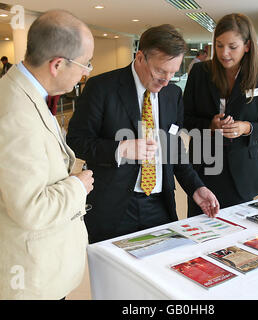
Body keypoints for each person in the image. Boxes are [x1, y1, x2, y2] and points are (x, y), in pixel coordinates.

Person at [0, 10, 95, 300]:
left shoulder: (28, 92)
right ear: (57, 64)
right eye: (85, 64)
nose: (86, 72)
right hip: (29, 275)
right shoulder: (15, 115)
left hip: (42, 263)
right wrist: (78, 186)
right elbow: (32, 209)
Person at [66, 24, 219, 243]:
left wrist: (196, 187)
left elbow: (174, 150)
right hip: (114, 208)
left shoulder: (173, 94)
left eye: (173, 73)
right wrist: (120, 149)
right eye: (160, 71)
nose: (166, 80)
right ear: (140, 57)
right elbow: (76, 141)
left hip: (159, 206)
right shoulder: (101, 88)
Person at [183, 13, 258, 217]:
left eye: (232, 46)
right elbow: (183, 119)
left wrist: (246, 127)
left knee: (237, 232)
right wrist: (210, 125)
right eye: (219, 45)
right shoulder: (200, 73)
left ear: (247, 45)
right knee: (198, 229)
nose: (224, 53)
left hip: (242, 173)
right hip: (203, 169)